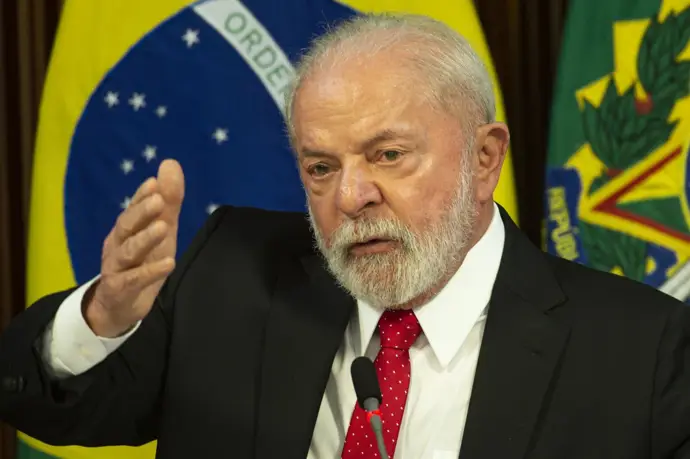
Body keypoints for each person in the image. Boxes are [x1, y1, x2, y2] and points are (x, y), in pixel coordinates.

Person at [1, 12, 689, 459]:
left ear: (484, 159)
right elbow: (50, 407)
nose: (351, 197)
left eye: (388, 155)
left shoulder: (642, 349)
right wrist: (101, 318)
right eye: (321, 168)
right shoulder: (230, 276)